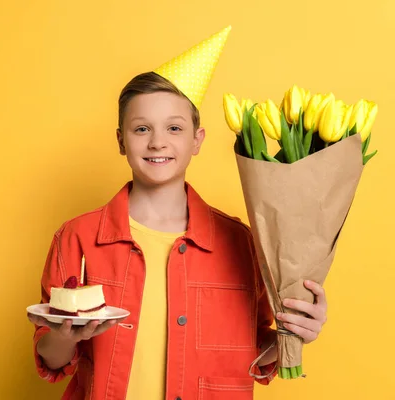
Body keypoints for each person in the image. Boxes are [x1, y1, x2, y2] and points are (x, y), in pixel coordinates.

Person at [27, 26, 328, 400]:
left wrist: (297, 332)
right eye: (141, 129)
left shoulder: (243, 243)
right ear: (121, 140)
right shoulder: (77, 238)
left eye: (174, 128)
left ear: (196, 140)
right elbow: (52, 362)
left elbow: (256, 351)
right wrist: (62, 337)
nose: (157, 142)